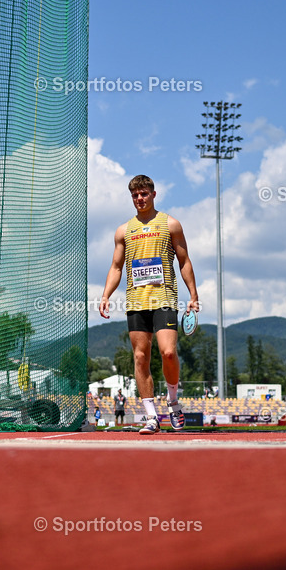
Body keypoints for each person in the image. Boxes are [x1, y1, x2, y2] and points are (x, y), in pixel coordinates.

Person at [99, 175, 200, 435]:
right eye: (135, 195)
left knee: (168, 352)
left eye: (144, 194)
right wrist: (105, 295)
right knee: (141, 357)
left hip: (164, 297)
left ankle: (174, 401)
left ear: (153, 194)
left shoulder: (171, 224)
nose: (139, 199)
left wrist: (193, 295)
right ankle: (151, 417)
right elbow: (116, 266)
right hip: (136, 301)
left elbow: (184, 261)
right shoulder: (123, 230)